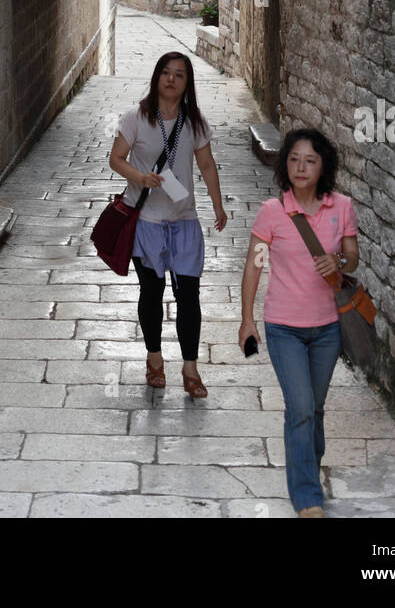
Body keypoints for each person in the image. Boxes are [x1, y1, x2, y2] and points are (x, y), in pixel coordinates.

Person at [238, 127, 359, 518]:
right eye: (293, 159)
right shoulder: (272, 212)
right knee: (301, 406)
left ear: (323, 166)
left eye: (310, 160)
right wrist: (246, 319)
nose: (300, 167)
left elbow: (352, 258)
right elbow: (255, 265)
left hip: (327, 328)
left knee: (316, 408)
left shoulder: (341, 207)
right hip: (283, 327)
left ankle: (308, 464)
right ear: (284, 164)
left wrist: (338, 262)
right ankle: (307, 496)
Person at [109, 52, 227, 397]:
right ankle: (155, 359)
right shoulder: (136, 117)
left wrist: (217, 205)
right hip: (146, 221)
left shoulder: (195, 122)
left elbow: (206, 165)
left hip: (184, 220)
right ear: (156, 78)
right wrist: (140, 177)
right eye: (166, 72)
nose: (171, 79)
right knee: (152, 292)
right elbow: (116, 158)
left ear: (187, 83)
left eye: (179, 74)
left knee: (190, 295)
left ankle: (190, 368)